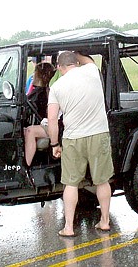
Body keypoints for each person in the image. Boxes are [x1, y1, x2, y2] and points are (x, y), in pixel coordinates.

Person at [47, 51, 114, 237]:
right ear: (76, 63)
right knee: (102, 180)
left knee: (71, 183)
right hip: (99, 134)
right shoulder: (92, 71)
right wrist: (76, 53)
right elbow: (89, 60)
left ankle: (68, 227)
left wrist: (54, 144)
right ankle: (105, 222)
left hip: (73, 138)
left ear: (59, 67)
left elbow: (52, 119)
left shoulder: (57, 86)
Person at [24, 62, 56, 167]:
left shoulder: (44, 93)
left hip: (51, 124)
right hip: (43, 122)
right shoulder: (38, 92)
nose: (33, 75)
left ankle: (26, 166)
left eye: (35, 72)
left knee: (30, 131)